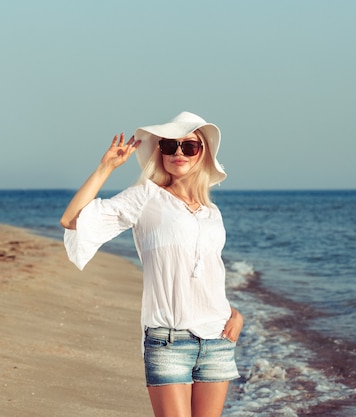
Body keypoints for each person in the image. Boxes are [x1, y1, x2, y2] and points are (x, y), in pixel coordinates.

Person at [60, 111, 243, 417]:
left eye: (189, 146)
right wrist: (106, 167)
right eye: (170, 146)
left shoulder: (212, 212)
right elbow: (71, 220)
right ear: (160, 152)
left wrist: (234, 312)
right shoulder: (145, 197)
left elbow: (208, 272)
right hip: (168, 341)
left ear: (203, 153)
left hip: (218, 339)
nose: (179, 153)